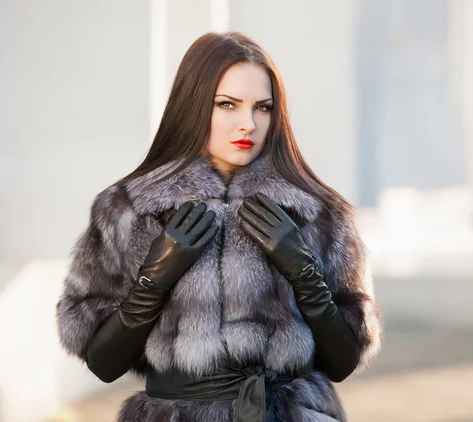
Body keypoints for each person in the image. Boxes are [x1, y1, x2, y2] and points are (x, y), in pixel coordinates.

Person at [55, 31, 382, 422]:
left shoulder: (317, 212)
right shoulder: (130, 209)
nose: (248, 124)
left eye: (263, 108)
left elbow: (343, 362)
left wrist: (303, 271)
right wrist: (153, 282)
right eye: (227, 104)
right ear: (192, 105)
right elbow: (103, 363)